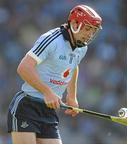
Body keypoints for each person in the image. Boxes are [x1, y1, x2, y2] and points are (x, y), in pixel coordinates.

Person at [7, 4, 102, 144]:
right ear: (75, 23)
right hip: (27, 106)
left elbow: (73, 67)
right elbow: (23, 68)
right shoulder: (52, 40)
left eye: (93, 31)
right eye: (88, 29)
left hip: (49, 111)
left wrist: (71, 96)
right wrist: (47, 92)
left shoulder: (82, 48)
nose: (90, 34)